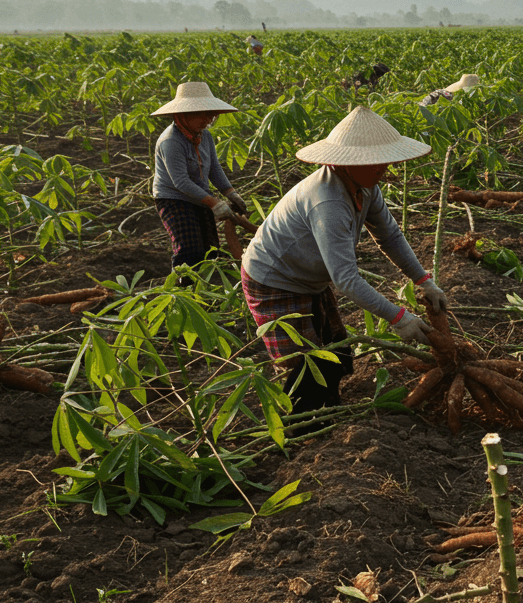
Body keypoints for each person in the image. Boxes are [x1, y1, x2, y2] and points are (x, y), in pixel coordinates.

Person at [240, 106, 448, 417]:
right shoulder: (328, 201)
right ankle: (303, 428)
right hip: (273, 281)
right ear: (347, 163)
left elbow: (389, 235)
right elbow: (346, 279)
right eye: (375, 161)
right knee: (307, 369)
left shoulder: (365, 186)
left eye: (385, 159)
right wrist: (399, 317)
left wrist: (423, 280)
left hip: (309, 277)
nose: (385, 167)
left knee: (337, 355)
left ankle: (329, 412)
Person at [150, 82, 246, 278]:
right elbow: (181, 182)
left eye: (211, 114)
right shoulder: (171, 141)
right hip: (173, 199)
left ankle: (206, 292)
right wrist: (215, 203)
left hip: (199, 195)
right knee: (189, 248)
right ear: (184, 114)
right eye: (203, 114)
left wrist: (230, 192)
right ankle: (182, 292)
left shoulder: (205, 136)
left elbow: (214, 168)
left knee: (210, 248)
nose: (209, 119)